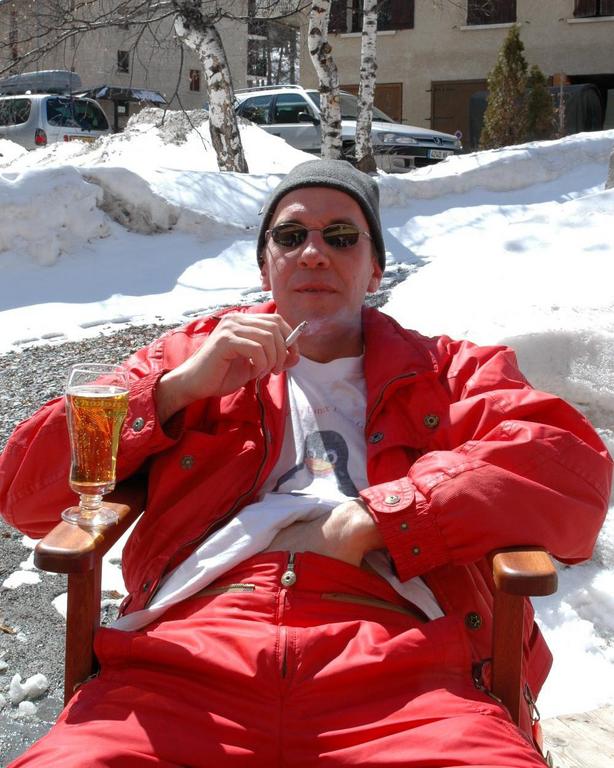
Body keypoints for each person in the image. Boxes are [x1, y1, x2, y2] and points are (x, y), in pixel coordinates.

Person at [0, 159, 611, 768]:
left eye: (341, 236)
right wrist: (174, 391)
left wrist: (376, 520)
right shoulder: (190, 355)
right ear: (265, 265)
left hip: (401, 662)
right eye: (291, 236)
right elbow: (23, 490)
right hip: (189, 650)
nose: (314, 253)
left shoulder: (446, 371)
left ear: (375, 270)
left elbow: (569, 465)